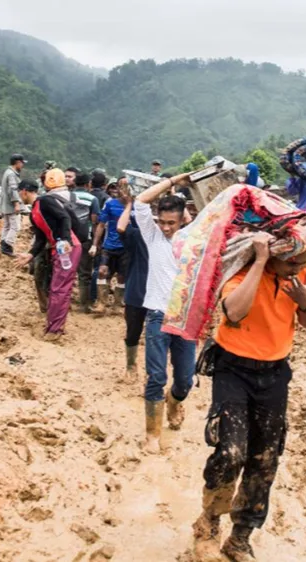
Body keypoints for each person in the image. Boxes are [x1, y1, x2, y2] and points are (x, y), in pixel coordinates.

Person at [191, 233, 306, 562]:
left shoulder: (301, 271)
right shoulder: (243, 267)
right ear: (274, 256)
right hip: (233, 368)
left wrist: (305, 301)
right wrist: (261, 261)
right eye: (291, 263)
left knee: (265, 459)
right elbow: (233, 313)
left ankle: (240, 537)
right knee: (231, 451)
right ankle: (209, 522)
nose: (298, 269)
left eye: (304, 263)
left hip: (274, 372)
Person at [133, 172, 197, 454]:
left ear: (183, 218)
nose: (166, 228)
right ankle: (152, 435)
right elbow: (141, 200)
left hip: (185, 319)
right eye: (162, 222)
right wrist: (174, 181)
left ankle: (175, 400)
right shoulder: (153, 236)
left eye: (172, 222)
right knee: (156, 376)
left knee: (185, 379)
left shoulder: (193, 238)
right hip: (158, 315)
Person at [15, 170, 84, 341]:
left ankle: (55, 330)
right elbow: (40, 238)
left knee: (60, 288)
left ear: (24, 191)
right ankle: (52, 325)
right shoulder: (34, 213)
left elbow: (64, 218)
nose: (18, 196)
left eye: (18, 193)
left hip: (68, 247)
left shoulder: (45, 201)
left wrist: (66, 240)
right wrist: (30, 255)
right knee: (55, 288)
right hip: (57, 248)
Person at [116, 181, 149, 381]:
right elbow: (121, 227)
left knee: (156, 336)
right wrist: (130, 204)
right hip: (137, 292)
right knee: (133, 331)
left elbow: (186, 221)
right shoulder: (139, 237)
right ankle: (131, 364)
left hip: (159, 295)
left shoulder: (170, 239)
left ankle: (152, 372)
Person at [94, 181, 129, 308]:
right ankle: (101, 303)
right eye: (120, 187)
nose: (122, 191)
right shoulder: (110, 204)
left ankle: (118, 303)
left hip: (126, 247)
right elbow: (101, 224)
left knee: (122, 276)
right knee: (102, 271)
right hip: (109, 245)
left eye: (126, 188)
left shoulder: (135, 207)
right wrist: (94, 244)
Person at [72, 173, 102, 313]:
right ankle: (84, 304)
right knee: (84, 273)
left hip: (68, 238)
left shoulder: (67, 196)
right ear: (88, 184)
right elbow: (94, 220)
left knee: (65, 271)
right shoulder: (93, 199)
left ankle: (62, 302)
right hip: (85, 239)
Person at [0, 154, 25, 257]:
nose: (22, 165)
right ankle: (7, 245)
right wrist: (17, 204)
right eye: (22, 163)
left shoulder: (7, 172)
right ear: (18, 163)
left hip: (5, 204)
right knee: (15, 227)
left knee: (7, 225)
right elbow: (13, 190)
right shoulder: (12, 175)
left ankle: (3, 244)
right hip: (11, 205)